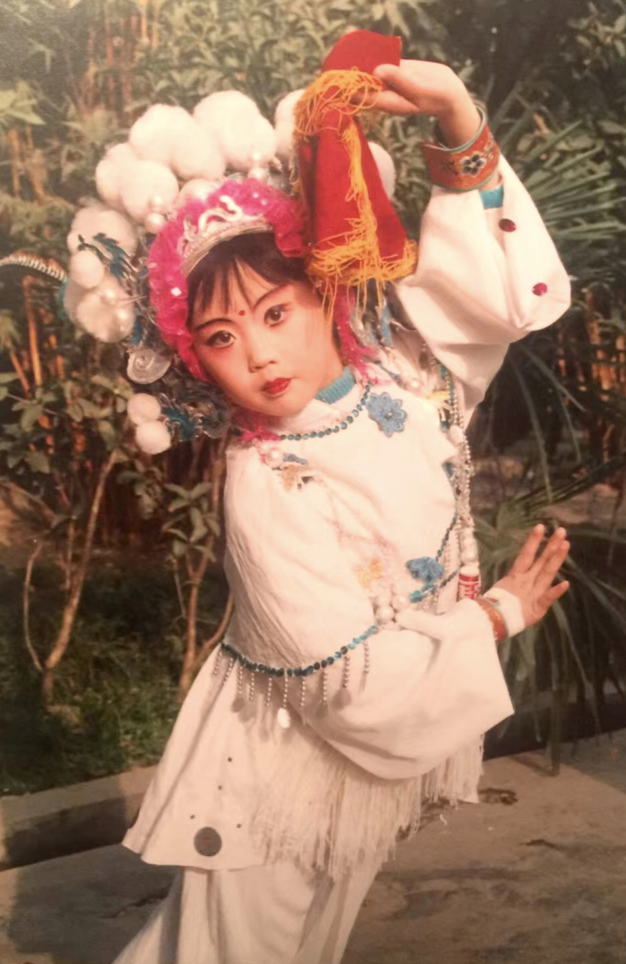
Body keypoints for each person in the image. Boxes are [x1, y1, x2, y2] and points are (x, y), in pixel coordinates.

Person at [87, 30, 573, 964]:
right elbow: (346, 684)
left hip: (364, 763)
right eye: (221, 337)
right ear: (196, 359)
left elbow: (497, 299)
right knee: (225, 953)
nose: (260, 353)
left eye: (275, 313)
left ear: (326, 293)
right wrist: (497, 617)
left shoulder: (409, 375)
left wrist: (458, 118)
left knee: (307, 946)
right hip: (274, 766)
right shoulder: (264, 480)